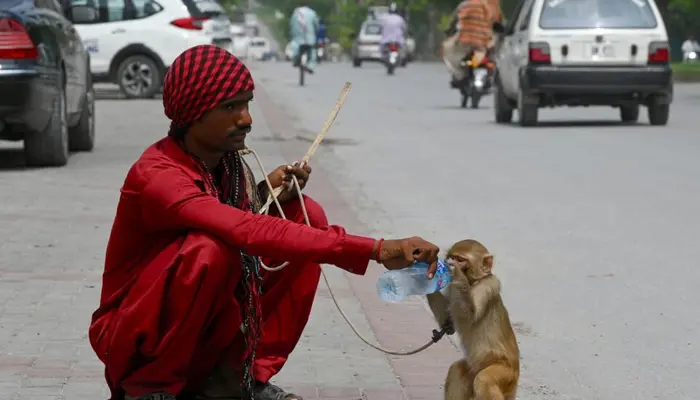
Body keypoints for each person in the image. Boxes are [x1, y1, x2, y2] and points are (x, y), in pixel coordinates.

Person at [88, 45, 441, 400]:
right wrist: (376, 250)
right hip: (133, 339)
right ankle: (152, 388)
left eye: (247, 104)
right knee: (209, 250)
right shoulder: (158, 174)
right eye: (230, 107)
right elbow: (243, 230)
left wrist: (264, 193)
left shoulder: (227, 165)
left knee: (306, 217)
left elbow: (238, 218)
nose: (246, 119)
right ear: (193, 113)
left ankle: (244, 374)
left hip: (202, 333)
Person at [442, 0, 503, 87]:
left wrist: (449, 30)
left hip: (466, 41)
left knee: (450, 50)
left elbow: (454, 21)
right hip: (485, 42)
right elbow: (499, 21)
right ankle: (491, 76)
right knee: (494, 54)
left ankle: (460, 77)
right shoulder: (492, 5)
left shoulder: (465, 5)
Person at [289, 5, 320, 73]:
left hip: (297, 38)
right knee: (312, 52)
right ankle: (310, 66)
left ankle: (296, 61)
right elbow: (316, 24)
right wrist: (316, 31)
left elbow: (291, 24)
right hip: (309, 38)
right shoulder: (312, 13)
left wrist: (292, 33)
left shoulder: (295, 13)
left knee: (295, 49)